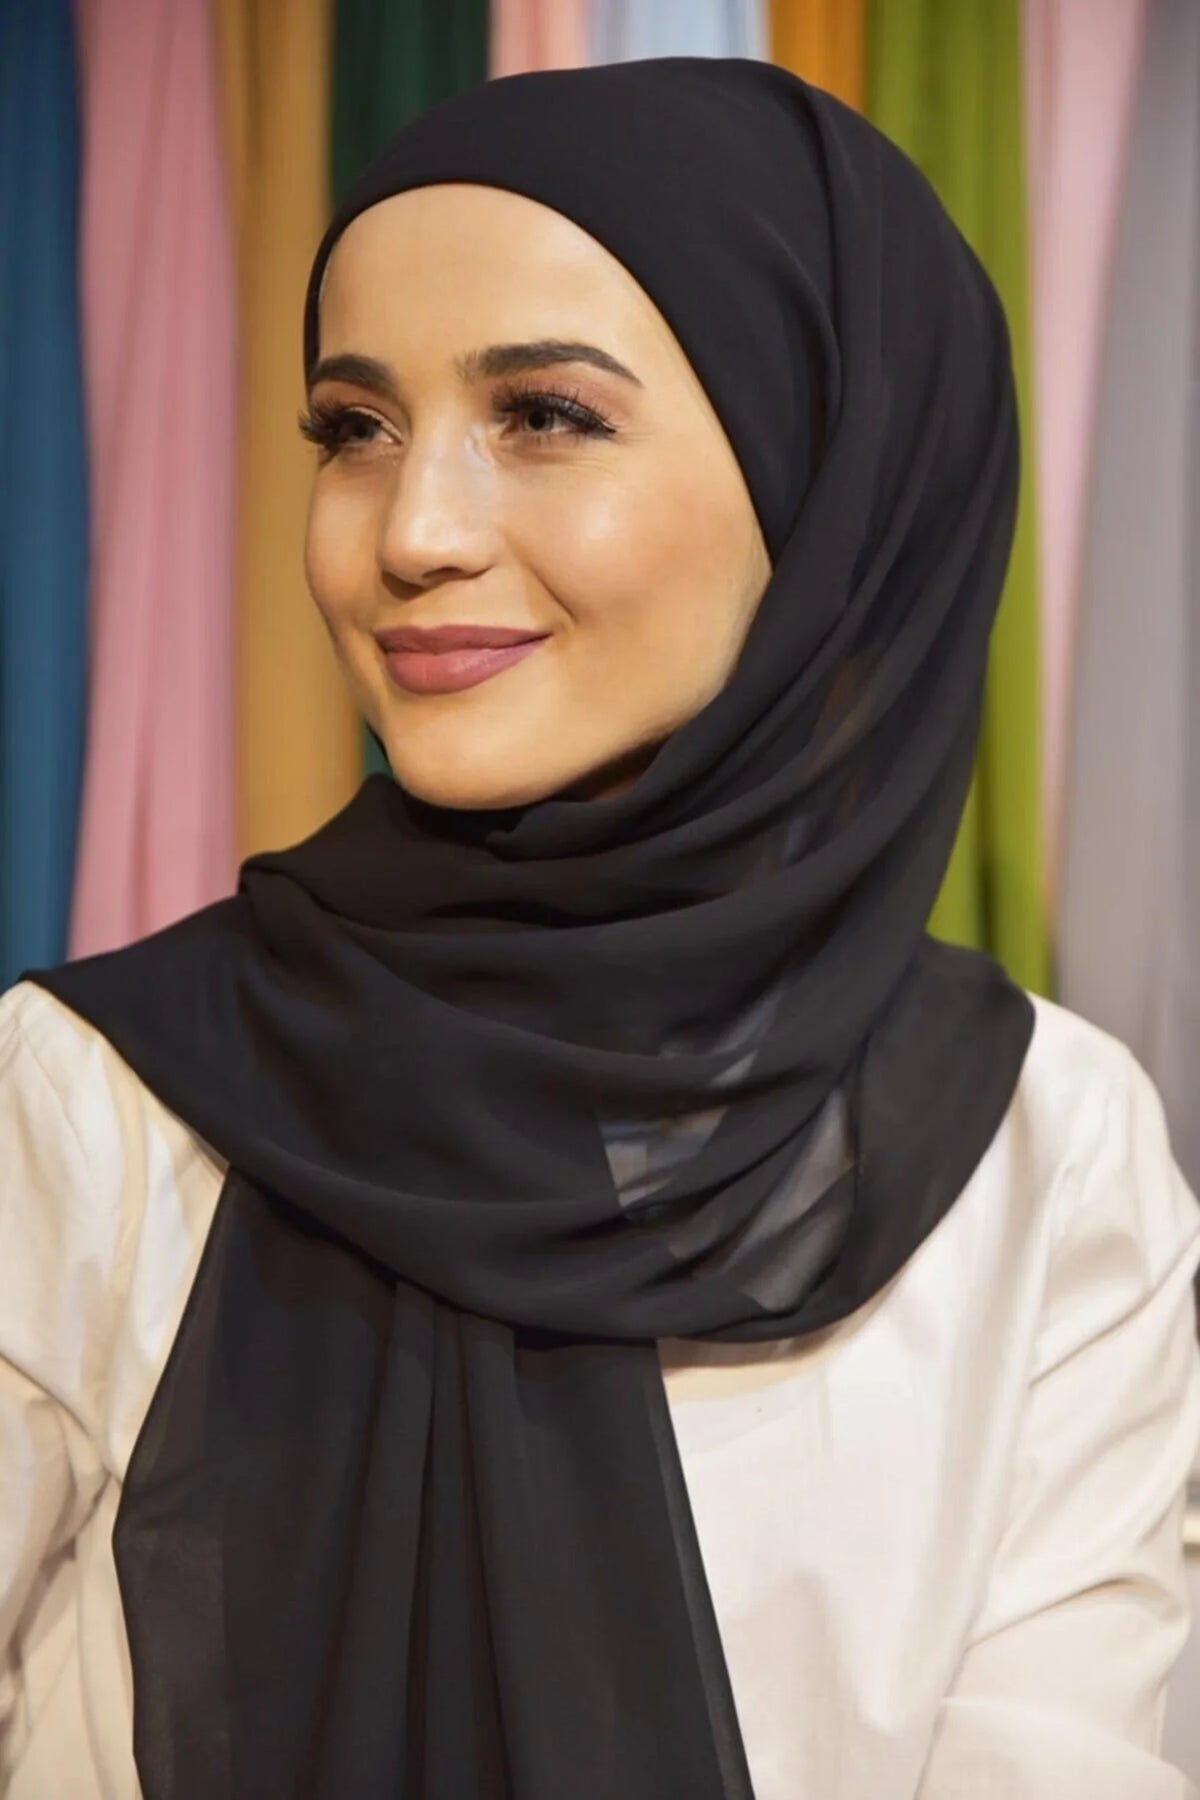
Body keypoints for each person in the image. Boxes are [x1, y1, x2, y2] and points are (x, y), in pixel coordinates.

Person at [2, 55, 1199, 1800]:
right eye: (353, 428)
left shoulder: (1045, 1161)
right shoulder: (89, 1105)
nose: (412, 531)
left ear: (823, 484)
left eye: (545, 416)